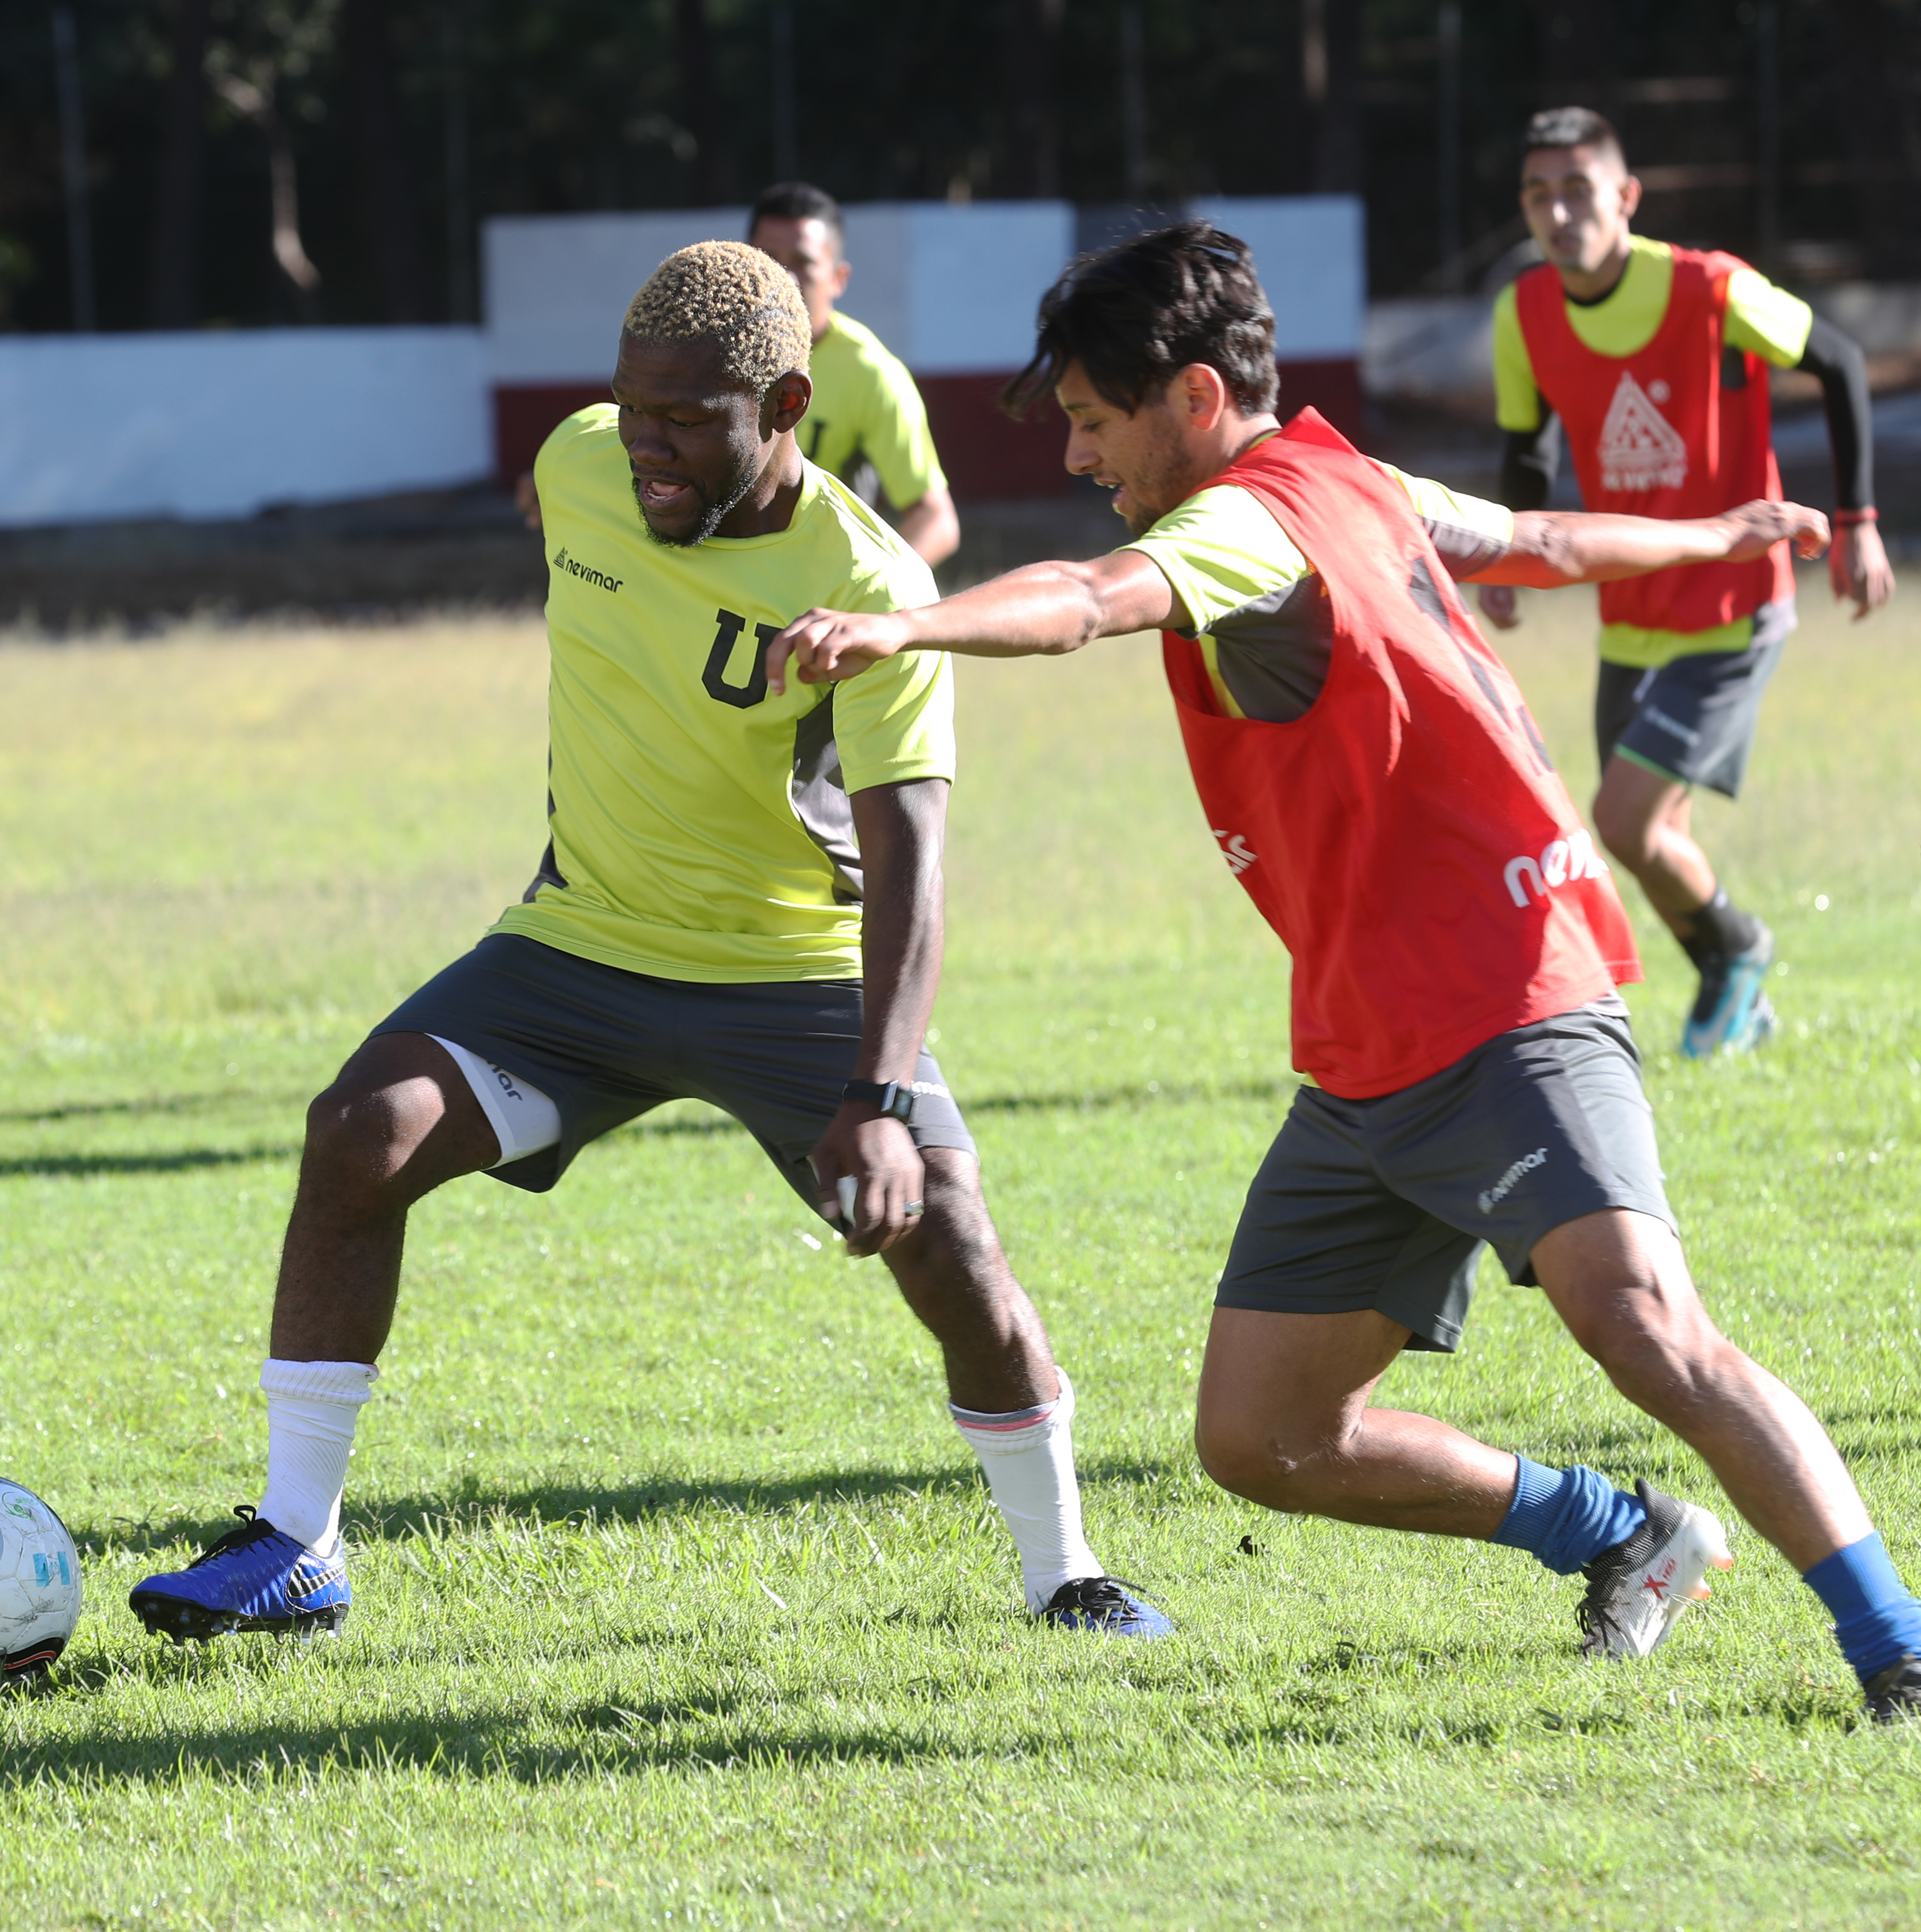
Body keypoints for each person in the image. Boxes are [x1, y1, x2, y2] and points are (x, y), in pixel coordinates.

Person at [763, 223, 1921, 1724]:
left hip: (1510, 1002)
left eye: (1094, 421)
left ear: (1195, 398)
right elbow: (1540, 540)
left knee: (1646, 1324)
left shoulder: (1242, 528)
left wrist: (907, 623)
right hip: (1373, 1048)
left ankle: (1897, 1642)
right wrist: (1715, 535)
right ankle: (1619, 1533)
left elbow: (1093, 598)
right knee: (1264, 1435)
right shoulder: (1355, 480)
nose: (1075, 454)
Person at [130, 242, 1168, 1645]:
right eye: (632, 411)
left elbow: (912, 870)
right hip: (578, 950)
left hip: (789, 976)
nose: (646, 451)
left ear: (786, 405)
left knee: (950, 1247)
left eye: (685, 421)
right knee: (356, 1135)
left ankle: (1069, 1574)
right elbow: (592, 524)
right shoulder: (580, 464)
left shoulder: (862, 581)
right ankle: (296, 1546)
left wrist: (876, 1096)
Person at [1480, 106, 1896, 1059]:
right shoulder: (1523, 314)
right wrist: (1504, 563)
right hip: (1630, 615)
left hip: (1734, 606)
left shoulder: (1709, 289)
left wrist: (1859, 523)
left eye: (1579, 190)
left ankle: (1739, 950)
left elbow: (1838, 362)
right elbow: (1528, 450)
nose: (1559, 212)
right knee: (1653, 834)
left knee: (1622, 821)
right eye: (1539, 195)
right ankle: (1738, 995)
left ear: (1626, 196)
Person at [748, 181, 961, 568]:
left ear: (838, 278)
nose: (785, 278)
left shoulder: (871, 373)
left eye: (802, 262)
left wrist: (869, 592)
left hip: (811, 582)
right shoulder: (706, 352)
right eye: (769, 260)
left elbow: (936, 520)